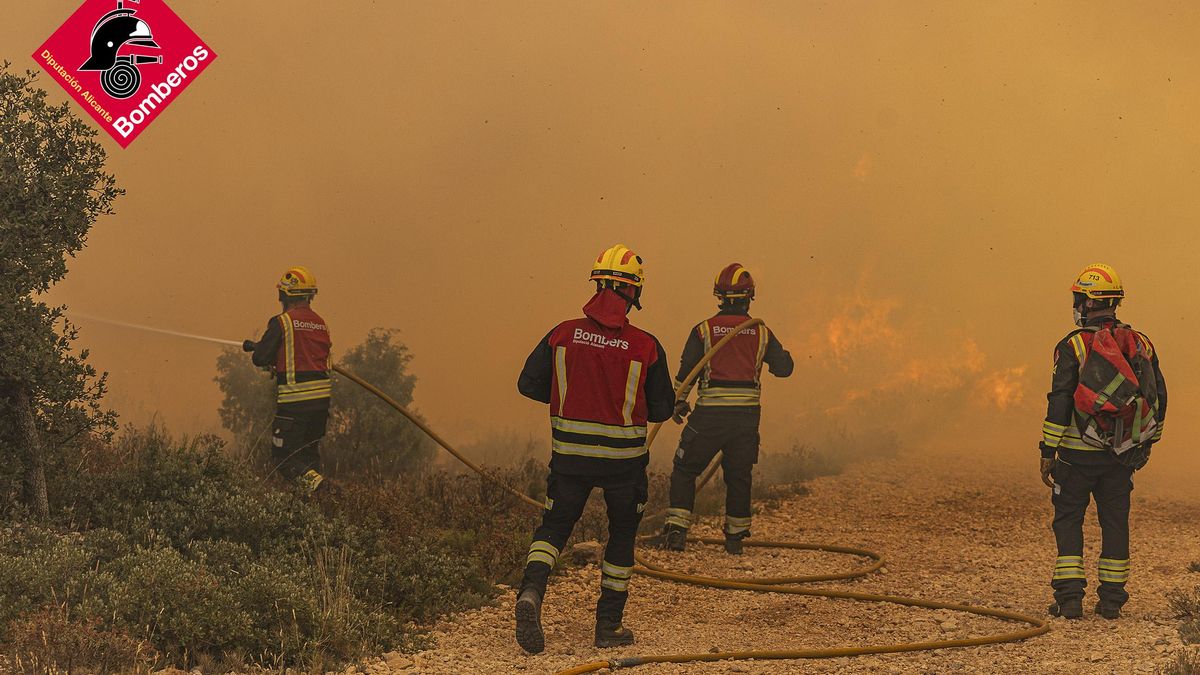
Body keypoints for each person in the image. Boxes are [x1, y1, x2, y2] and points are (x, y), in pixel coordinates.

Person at [513, 244, 675, 654]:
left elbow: (528, 384)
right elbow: (662, 408)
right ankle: (608, 628)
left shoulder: (562, 334)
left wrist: (573, 396)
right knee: (621, 538)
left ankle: (531, 593)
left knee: (553, 530)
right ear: (633, 292)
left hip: (570, 460)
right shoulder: (647, 346)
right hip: (625, 465)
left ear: (598, 284)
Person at [1041, 263, 1166, 620]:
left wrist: (1048, 450)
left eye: (1079, 297)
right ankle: (1111, 601)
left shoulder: (1073, 346)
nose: (1076, 304)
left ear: (1088, 302)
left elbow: (1060, 400)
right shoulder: (1141, 343)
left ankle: (1069, 600)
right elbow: (1158, 397)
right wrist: (1147, 443)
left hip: (1075, 458)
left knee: (1068, 520)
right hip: (1120, 456)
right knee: (1115, 522)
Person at [661, 263, 793, 555]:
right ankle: (735, 540)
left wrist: (678, 402)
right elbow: (784, 370)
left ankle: (676, 534)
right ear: (749, 297)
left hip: (709, 417)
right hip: (745, 420)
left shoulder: (704, 330)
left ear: (719, 296)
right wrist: (784, 357)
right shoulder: (761, 332)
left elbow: (687, 372)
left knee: (685, 468)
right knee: (739, 474)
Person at [242, 266, 333, 492]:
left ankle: (323, 490)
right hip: (321, 406)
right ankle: (318, 507)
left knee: (284, 459)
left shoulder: (282, 322)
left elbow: (260, 357)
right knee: (308, 457)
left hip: (295, 405)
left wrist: (264, 352)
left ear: (285, 295)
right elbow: (309, 359)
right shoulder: (321, 324)